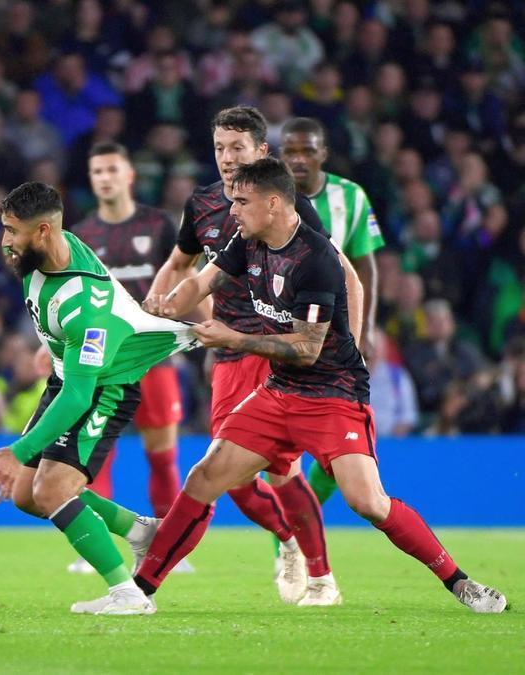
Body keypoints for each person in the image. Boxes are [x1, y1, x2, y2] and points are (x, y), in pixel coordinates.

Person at [137, 158, 506, 615]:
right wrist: (163, 309)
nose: (231, 210)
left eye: (241, 202)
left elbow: (307, 349)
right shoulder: (248, 240)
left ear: (273, 204)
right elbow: (202, 281)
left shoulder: (316, 261)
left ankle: (461, 583)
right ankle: (138, 591)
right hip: (279, 391)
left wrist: (231, 337)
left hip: (333, 393)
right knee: (205, 475)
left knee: (368, 503)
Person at [147, 106, 357, 604]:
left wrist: (355, 340)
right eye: (219, 147)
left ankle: (321, 574)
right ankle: (287, 542)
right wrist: (154, 313)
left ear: (262, 152)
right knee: (232, 478)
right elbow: (180, 266)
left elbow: (342, 270)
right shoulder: (200, 205)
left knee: (281, 471)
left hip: (273, 348)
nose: (226, 157)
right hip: (225, 352)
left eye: (237, 148)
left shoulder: (283, 203)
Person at [0, 181, 200, 616]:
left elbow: (81, 396)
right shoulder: (45, 253)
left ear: (43, 232)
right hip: (66, 378)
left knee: (51, 489)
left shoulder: (84, 305)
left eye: (13, 231)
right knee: (27, 494)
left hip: (103, 389)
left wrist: (17, 450)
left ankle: (128, 594)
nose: (5, 242)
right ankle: (143, 533)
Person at [66, 141, 190, 576]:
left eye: (112, 169)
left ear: (129, 174)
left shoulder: (158, 224)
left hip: (153, 353)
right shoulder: (81, 236)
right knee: (96, 451)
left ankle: (172, 548)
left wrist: (206, 327)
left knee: (162, 454)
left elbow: (186, 275)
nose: (105, 177)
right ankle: (93, 546)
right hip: (101, 359)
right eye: (97, 171)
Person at [281, 116, 386, 508]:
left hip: (339, 335)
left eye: (308, 150)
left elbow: (366, 268)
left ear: (323, 153)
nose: (299, 159)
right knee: (282, 456)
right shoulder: (270, 196)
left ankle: (305, 520)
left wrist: (368, 331)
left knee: (335, 454)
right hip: (285, 330)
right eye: (291, 150)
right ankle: (288, 551)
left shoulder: (351, 197)